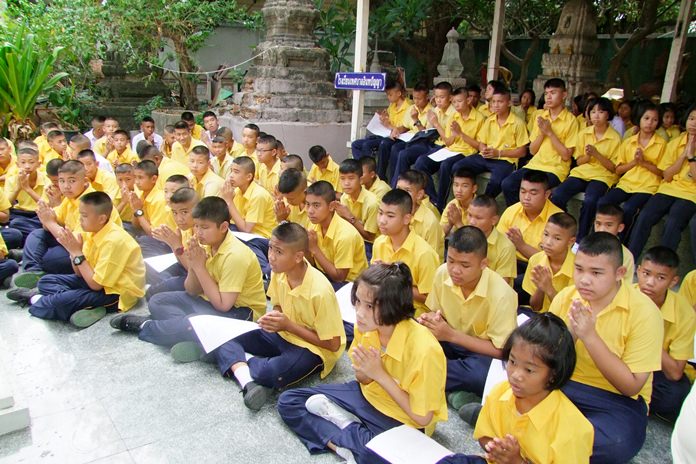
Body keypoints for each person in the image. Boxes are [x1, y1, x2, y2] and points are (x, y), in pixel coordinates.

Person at [277, 263, 447, 464]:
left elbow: (423, 418)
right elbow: (361, 379)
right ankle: (351, 442)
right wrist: (367, 373)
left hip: (404, 420)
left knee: (373, 458)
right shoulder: (365, 327)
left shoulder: (426, 349)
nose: (359, 312)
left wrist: (380, 374)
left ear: (393, 307)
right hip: (368, 396)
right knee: (289, 401)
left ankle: (348, 434)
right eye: (357, 301)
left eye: (369, 306)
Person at [550, 232, 663, 463]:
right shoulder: (566, 298)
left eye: (596, 273)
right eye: (579, 269)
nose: (584, 280)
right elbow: (547, 362)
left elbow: (630, 386)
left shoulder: (644, 312)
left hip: (616, 401)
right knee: (514, 388)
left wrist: (590, 337)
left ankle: (539, 440)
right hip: (565, 384)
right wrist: (570, 335)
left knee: (616, 443)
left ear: (620, 273)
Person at [212, 222, 346, 410]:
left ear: (299, 256)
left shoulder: (320, 291)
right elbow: (277, 304)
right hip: (283, 332)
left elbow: (332, 344)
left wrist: (289, 325)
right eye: (270, 249)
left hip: (311, 348)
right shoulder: (280, 272)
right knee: (225, 335)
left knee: (270, 372)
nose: (271, 258)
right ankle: (249, 383)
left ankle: (240, 363)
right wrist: (274, 317)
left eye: (279, 252)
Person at [110, 196, 266, 346]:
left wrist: (199, 267)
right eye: (197, 226)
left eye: (204, 227)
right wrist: (193, 265)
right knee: (158, 301)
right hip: (210, 300)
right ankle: (192, 335)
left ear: (224, 227)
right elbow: (191, 289)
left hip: (241, 313)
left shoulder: (235, 255)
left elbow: (223, 305)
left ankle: (147, 326)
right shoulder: (206, 243)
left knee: (192, 321)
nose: (198, 232)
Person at [438, 314, 593, 464]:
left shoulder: (573, 429)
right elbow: (484, 437)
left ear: (554, 374)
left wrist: (516, 462)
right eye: (512, 361)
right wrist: (496, 449)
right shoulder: (500, 392)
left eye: (529, 370)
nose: (515, 375)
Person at [11, 192, 145, 328]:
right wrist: (73, 253)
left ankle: (37, 299)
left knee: (58, 302)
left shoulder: (114, 240)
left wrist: (76, 252)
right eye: (80, 214)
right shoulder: (90, 231)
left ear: (101, 218)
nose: (80, 219)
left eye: (84, 216)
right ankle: (81, 305)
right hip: (94, 281)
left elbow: (96, 285)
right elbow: (79, 273)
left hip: (116, 293)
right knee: (46, 281)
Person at [420, 226, 517, 408]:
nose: (455, 270)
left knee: (479, 375)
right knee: (418, 341)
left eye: (465, 265)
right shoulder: (442, 273)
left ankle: (428, 378)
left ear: (483, 264)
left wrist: (451, 335)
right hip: (448, 340)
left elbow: (502, 351)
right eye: (451, 261)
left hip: (481, 353)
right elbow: (435, 311)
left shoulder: (503, 294)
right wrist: (430, 321)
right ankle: (451, 389)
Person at [14, 161, 121, 285]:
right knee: (37, 234)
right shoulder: (70, 199)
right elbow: (48, 225)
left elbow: (73, 241)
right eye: (61, 181)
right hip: (72, 244)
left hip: (90, 251)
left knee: (49, 259)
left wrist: (49, 221)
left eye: (72, 181)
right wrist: (46, 216)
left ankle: (45, 273)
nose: (66, 186)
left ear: (85, 181)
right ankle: (33, 272)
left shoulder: (90, 202)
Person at [634, 247, 695, 421]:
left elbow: (675, 373)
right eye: (646, 273)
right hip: (620, 361)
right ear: (638, 271)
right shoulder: (622, 294)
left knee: (676, 394)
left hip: (655, 368)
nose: (650, 282)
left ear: (673, 281)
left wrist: (648, 337)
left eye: (660, 278)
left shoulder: (684, 312)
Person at [627, 104, 696, 258]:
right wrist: (683, 155)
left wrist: (691, 156)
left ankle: (662, 266)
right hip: (668, 188)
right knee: (645, 216)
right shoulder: (676, 142)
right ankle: (630, 260)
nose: (693, 123)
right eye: (691, 118)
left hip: (691, 194)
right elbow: (667, 175)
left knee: (673, 221)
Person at [551, 97, 622, 240]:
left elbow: (613, 168)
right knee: (558, 194)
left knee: (591, 201)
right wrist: (588, 157)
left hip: (602, 176)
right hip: (582, 172)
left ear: (608, 115)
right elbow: (578, 161)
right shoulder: (584, 133)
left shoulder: (615, 138)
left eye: (601, 112)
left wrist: (597, 154)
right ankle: (567, 226)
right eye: (593, 111)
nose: (596, 115)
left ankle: (581, 238)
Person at [501, 78, 579, 206]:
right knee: (507, 184)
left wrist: (550, 133)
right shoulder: (540, 117)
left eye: (553, 93)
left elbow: (566, 155)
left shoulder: (571, 121)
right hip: (535, 165)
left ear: (564, 95)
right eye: (546, 93)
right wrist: (542, 133)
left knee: (535, 190)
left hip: (555, 169)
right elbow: (532, 150)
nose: (548, 97)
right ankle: (520, 215)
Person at [597, 101, 667, 240]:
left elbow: (662, 172)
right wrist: (635, 162)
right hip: (627, 183)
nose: (650, 123)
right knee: (603, 202)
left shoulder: (662, 143)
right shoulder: (628, 142)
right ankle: (600, 237)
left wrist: (644, 163)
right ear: (639, 119)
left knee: (629, 208)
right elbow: (618, 170)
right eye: (646, 118)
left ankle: (622, 242)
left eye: (654, 120)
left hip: (648, 187)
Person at [450, 85, 529, 200]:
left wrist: (499, 153)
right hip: (486, 156)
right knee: (458, 166)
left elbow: (522, 152)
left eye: (500, 102)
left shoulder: (518, 123)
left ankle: (484, 203)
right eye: (493, 102)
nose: (496, 105)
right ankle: (469, 197)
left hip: (504, 160)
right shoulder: (490, 120)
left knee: (497, 182)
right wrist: (483, 149)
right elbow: (482, 142)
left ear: (509, 103)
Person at [412, 86, 485, 208]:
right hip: (450, 150)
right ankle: (433, 199)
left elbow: (479, 146)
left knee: (446, 165)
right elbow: (448, 142)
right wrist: (454, 133)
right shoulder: (454, 116)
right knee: (421, 162)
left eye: (460, 101)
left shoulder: (480, 118)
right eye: (454, 102)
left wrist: (461, 134)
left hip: (467, 152)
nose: (456, 105)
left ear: (468, 101)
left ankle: (441, 204)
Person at [372, 189, 439, 317]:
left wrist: (392, 279)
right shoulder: (379, 243)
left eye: (390, 216)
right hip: (384, 302)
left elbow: (430, 299)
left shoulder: (424, 254)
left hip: (413, 313)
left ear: (407, 219)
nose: (382, 220)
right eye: (380, 213)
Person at [497, 169, 562, 295]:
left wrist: (520, 245)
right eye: (523, 191)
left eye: (533, 193)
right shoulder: (511, 211)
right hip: (510, 262)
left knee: (507, 287)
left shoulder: (557, 220)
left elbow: (551, 262)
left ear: (547, 194)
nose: (526, 197)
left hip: (539, 270)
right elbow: (499, 247)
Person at [305, 181, 367, 288]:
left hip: (350, 285)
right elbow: (312, 263)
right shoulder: (313, 223)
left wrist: (314, 249)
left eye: (316, 205)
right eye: (307, 204)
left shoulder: (345, 235)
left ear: (331, 206)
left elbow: (339, 277)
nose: (310, 211)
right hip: (324, 275)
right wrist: (306, 248)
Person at [391, 82, 455, 186]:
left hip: (444, 146)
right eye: (437, 97)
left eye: (442, 97)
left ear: (450, 98)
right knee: (403, 153)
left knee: (421, 162)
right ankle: (396, 188)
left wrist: (435, 123)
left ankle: (431, 198)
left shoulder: (454, 113)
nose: (438, 100)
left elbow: (448, 140)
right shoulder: (436, 110)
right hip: (430, 142)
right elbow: (427, 133)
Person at [146, 187, 199, 299]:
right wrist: (171, 243)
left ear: (198, 209)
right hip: (185, 269)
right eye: (174, 213)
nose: (179, 218)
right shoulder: (187, 229)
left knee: (153, 296)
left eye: (184, 212)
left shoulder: (202, 233)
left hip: (197, 280)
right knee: (146, 266)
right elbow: (181, 260)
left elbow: (194, 270)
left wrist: (176, 245)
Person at [521, 212, 577, 313]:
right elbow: (535, 307)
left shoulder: (577, 267)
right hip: (541, 318)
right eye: (546, 234)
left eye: (557, 238)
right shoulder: (536, 260)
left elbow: (567, 312)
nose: (548, 242)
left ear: (570, 241)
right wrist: (540, 288)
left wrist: (549, 288)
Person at [350, 78, 410, 168]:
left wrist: (388, 125)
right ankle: (362, 170)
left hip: (396, 138)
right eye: (387, 95)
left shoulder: (408, 107)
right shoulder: (392, 105)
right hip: (385, 134)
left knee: (367, 145)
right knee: (355, 144)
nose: (388, 97)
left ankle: (371, 171)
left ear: (399, 93)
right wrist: (383, 117)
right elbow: (389, 120)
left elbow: (403, 128)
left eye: (390, 95)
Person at [381, 82, 431, 180]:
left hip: (422, 141)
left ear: (427, 97)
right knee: (394, 147)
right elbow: (405, 126)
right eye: (414, 98)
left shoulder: (431, 111)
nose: (416, 101)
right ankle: (393, 182)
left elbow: (427, 135)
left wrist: (416, 120)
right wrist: (396, 130)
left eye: (419, 99)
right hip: (409, 138)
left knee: (403, 154)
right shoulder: (412, 108)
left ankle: (400, 182)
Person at [221, 156, 276, 238]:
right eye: (231, 171)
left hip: (261, 238)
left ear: (249, 177)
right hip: (241, 232)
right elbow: (228, 217)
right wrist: (225, 197)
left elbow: (246, 230)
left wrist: (229, 201)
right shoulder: (237, 191)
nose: (231, 176)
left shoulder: (258, 195)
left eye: (236, 172)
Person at [466, 195, 516, 285]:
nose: (471, 222)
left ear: (494, 220)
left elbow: (502, 286)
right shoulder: (463, 238)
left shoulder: (506, 247)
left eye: (478, 218)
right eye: (469, 215)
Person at [396, 170, 445, 259]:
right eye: (398, 189)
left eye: (407, 190)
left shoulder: (430, 223)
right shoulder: (395, 213)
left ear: (419, 194)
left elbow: (430, 258)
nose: (401, 194)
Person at [5, 146, 48, 243]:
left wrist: (28, 189)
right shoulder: (12, 179)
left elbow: (46, 205)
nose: (27, 166)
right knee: (14, 223)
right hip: (19, 214)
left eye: (31, 162)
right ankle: (39, 238)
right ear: (17, 164)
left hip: (39, 214)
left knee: (47, 222)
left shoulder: (45, 178)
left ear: (39, 164)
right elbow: (6, 206)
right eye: (23, 162)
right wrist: (17, 189)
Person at [336, 159, 379, 245]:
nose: (346, 183)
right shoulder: (344, 197)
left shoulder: (372, 203)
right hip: (351, 238)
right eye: (342, 179)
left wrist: (350, 216)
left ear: (360, 180)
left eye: (351, 178)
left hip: (370, 244)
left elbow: (370, 237)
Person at [440, 168, 477, 238]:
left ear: (474, 188)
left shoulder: (480, 208)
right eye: (456, 185)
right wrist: (450, 224)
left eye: (465, 186)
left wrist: (458, 223)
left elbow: (475, 242)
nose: (459, 190)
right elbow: (439, 235)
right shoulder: (452, 205)